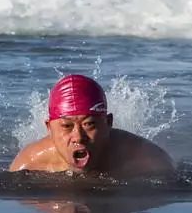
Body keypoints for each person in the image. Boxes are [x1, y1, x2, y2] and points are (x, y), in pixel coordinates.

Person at [9, 74, 174, 178]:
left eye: (89, 124)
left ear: (108, 123)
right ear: (49, 128)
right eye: (66, 126)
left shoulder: (148, 160)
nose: (78, 137)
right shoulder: (29, 164)